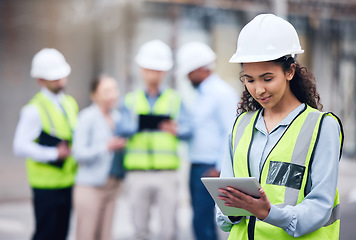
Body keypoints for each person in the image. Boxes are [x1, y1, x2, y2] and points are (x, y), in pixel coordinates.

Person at [216, 14, 343, 239]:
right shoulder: (241, 125)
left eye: (267, 78)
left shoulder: (322, 127)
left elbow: (320, 207)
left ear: (290, 71)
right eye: (250, 79)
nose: (258, 90)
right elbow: (223, 211)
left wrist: (269, 213)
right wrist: (233, 210)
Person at [117, 39, 191, 240]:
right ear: (142, 69)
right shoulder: (130, 100)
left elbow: (188, 129)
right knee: (140, 230)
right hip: (137, 173)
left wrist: (176, 129)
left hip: (167, 173)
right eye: (150, 69)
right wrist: (137, 126)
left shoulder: (175, 99)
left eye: (158, 70)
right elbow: (120, 128)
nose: (154, 74)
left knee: (169, 230)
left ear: (164, 72)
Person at [13, 48, 78, 240]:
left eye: (62, 76)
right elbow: (19, 146)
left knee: (61, 234)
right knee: (46, 234)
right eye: (54, 78)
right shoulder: (33, 110)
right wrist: (54, 154)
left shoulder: (69, 103)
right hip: (46, 186)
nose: (60, 81)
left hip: (67, 181)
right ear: (40, 80)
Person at [176, 41, 239, 240]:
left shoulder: (221, 93)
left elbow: (230, 132)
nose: (187, 76)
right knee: (199, 220)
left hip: (210, 167)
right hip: (197, 165)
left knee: (203, 224)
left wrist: (219, 167)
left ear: (202, 69)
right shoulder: (202, 94)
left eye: (189, 71)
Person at [72, 75, 126, 240]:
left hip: (112, 185)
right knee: (87, 235)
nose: (113, 94)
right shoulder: (86, 117)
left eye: (114, 89)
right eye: (107, 91)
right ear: (94, 94)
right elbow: (78, 153)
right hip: (90, 187)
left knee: (105, 235)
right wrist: (105, 147)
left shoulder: (118, 118)